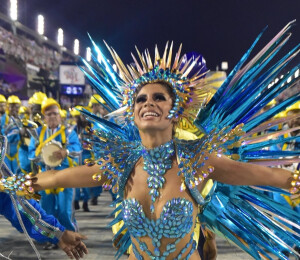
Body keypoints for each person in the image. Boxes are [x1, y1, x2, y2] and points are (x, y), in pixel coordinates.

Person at [2, 22, 300, 259]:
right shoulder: (121, 165)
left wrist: (294, 182)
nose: (148, 103)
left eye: (159, 97)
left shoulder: (198, 161)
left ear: (176, 109)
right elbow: (57, 176)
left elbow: (271, 176)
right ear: (132, 113)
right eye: (140, 99)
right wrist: (8, 184)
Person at [28, 97, 81, 249]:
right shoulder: (37, 133)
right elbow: (31, 154)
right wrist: (43, 157)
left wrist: (67, 151)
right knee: (47, 210)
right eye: (49, 114)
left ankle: (71, 238)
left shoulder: (69, 132)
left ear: (60, 115)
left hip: (65, 177)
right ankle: (52, 240)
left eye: (55, 114)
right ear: (44, 117)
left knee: (65, 210)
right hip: (46, 177)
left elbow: (78, 150)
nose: (52, 117)